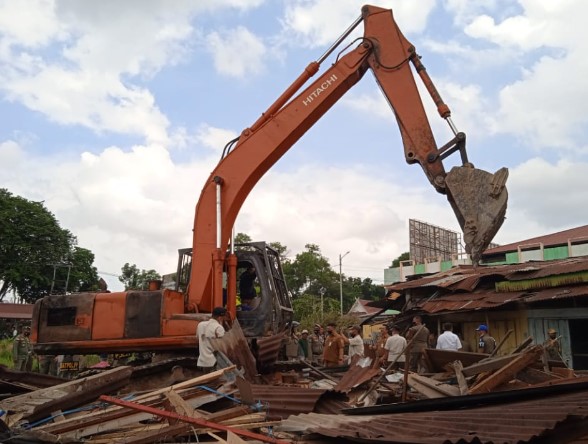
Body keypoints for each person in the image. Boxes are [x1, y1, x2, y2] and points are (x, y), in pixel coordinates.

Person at [196, 307, 227, 372]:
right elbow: (223, 346)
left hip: (203, 361)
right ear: (220, 318)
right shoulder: (218, 328)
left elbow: (198, 338)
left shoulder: (200, 325)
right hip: (214, 362)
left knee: (206, 380)